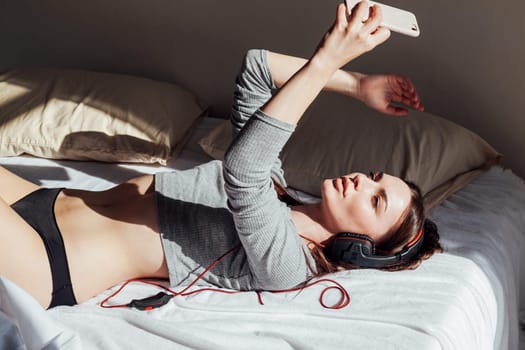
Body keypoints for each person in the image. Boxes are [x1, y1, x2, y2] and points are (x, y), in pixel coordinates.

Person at [0, 1, 441, 310]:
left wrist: (326, 59)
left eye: (376, 200)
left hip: (51, 260)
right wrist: (356, 84)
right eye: (376, 176)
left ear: (364, 249)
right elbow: (257, 69)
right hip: (45, 201)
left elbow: (241, 170)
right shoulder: (277, 187)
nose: (364, 181)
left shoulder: (288, 265)